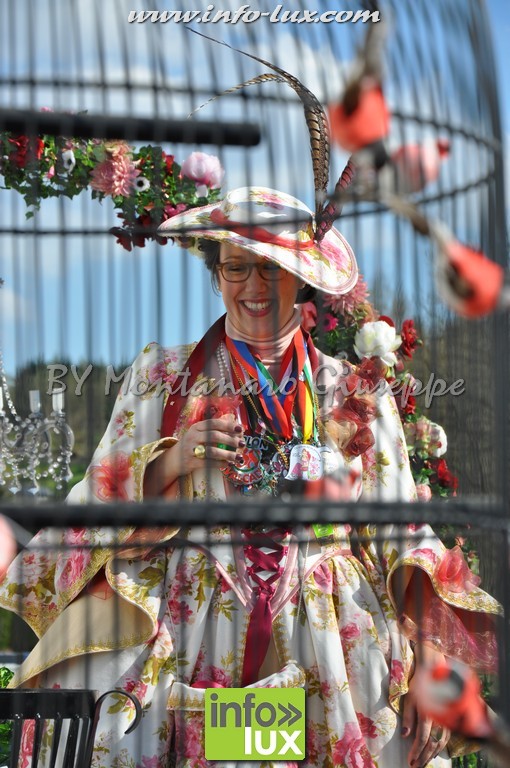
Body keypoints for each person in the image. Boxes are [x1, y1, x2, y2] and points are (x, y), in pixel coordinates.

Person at [0, 186, 500, 768]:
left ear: (301, 279)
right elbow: (94, 499)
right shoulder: (161, 375)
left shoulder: (356, 391)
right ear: (217, 274)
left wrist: (430, 653)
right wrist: (171, 461)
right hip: (187, 624)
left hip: (328, 638)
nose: (254, 286)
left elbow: (403, 529)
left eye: (272, 268)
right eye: (236, 267)